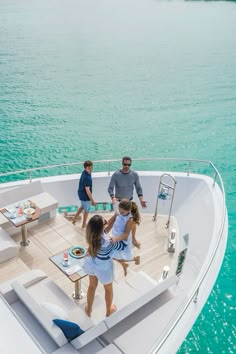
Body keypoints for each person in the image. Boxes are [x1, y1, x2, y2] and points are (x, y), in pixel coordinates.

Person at [83, 214, 127, 318]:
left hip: (90, 263)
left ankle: (88, 309)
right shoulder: (108, 241)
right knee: (108, 289)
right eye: (105, 222)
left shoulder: (91, 235)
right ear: (101, 228)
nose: (107, 223)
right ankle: (109, 310)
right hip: (103, 267)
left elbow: (106, 229)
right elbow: (121, 247)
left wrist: (115, 215)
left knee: (92, 286)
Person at [108, 156, 147, 248]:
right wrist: (112, 197)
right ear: (122, 164)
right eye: (125, 164)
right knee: (116, 221)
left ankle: (133, 239)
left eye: (129, 165)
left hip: (129, 203)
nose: (127, 166)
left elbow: (138, 188)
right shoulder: (116, 175)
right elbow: (110, 188)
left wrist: (141, 199)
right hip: (119, 203)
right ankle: (111, 236)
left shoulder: (134, 175)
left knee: (133, 222)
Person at [111, 199, 141, 276]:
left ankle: (135, 259)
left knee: (113, 255)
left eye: (122, 212)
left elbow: (126, 234)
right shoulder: (119, 212)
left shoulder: (130, 219)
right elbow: (111, 221)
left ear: (128, 211)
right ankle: (125, 264)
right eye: (119, 210)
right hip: (115, 237)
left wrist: (115, 239)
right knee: (115, 255)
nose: (120, 213)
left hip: (121, 240)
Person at [72, 160, 96, 228]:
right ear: (88, 167)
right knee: (87, 210)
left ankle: (74, 219)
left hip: (80, 193)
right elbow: (87, 190)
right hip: (85, 196)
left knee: (82, 206)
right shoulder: (87, 177)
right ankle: (84, 224)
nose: (92, 168)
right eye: (91, 167)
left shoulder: (84, 172)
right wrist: (92, 200)